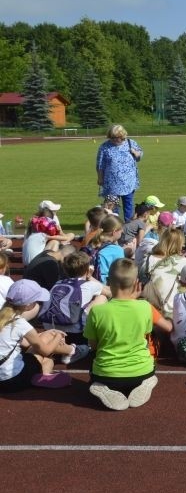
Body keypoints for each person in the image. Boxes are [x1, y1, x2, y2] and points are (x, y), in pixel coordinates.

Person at [84, 258, 171, 410]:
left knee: (92, 358)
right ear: (136, 283)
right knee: (146, 362)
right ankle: (144, 382)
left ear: (108, 281)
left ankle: (102, 386)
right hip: (142, 371)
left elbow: (94, 345)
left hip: (107, 375)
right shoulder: (145, 307)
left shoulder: (97, 311)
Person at [1, 279, 89, 391]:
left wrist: (46, 333)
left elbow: (25, 342)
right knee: (47, 356)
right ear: (28, 305)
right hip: (13, 379)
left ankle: (45, 372)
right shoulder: (20, 324)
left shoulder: (3, 318)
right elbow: (45, 350)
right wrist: (57, 335)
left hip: (3, 377)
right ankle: (47, 372)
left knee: (46, 353)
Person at [96, 124, 143, 221]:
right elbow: (100, 164)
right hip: (112, 182)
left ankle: (128, 225)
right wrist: (100, 177)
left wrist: (136, 153)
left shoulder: (131, 143)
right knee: (112, 206)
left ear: (122, 136)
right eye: (111, 137)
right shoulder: (104, 147)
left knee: (128, 204)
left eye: (116, 137)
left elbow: (139, 156)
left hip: (128, 182)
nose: (113, 140)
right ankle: (114, 225)